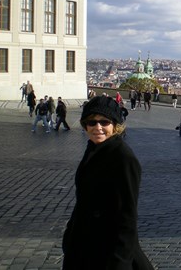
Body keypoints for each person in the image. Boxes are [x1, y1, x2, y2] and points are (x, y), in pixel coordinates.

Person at [62, 96, 153, 269]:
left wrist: (119, 264)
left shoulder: (123, 158)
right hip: (83, 248)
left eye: (104, 122)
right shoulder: (94, 149)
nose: (98, 127)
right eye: (91, 122)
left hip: (107, 254)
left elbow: (127, 218)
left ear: (115, 125)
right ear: (84, 125)